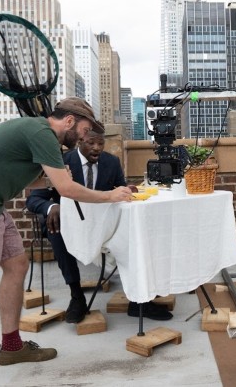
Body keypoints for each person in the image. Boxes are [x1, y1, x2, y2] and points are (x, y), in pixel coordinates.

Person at [0, 98, 134, 387]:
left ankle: (11, 347)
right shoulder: (42, 134)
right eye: (84, 129)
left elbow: (27, 179)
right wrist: (110, 195)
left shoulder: (40, 135)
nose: (85, 136)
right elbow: (67, 190)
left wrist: (54, 182)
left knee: (17, 266)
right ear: (69, 121)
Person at [26, 128, 173, 322]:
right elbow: (34, 199)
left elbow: (120, 190)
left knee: (135, 230)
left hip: (103, 223)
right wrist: (52, 206)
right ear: (79, 142)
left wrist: (127, 190)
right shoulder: (61, 163)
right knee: (56, 230)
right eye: (90, 143)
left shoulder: (111, 163)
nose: (97, 148)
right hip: (67, 223)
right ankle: (76, 296)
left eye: (100, 143)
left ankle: (139, 301)